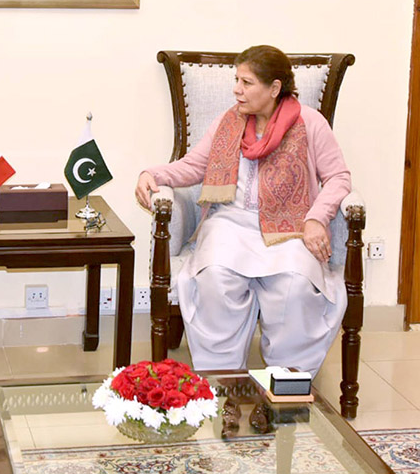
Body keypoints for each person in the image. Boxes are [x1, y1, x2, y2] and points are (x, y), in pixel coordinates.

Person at [135, 45, 351, 376]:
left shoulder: (310, 123)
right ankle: (224, 384)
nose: (237, 89)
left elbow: (338, 177)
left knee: (295, 286)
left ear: (274, 88)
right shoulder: (229, 121)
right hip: (229, 225)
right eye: (237, 79)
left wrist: (316, 219)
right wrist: (153, 174)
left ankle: (287, 382)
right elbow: (196, 166)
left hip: (290, 227)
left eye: (246, 82)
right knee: (216, 280)